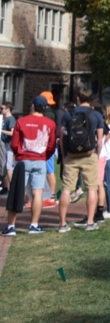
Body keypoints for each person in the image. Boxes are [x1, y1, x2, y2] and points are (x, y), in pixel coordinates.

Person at [3, 96, 58, 235]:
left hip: (23, 160)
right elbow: (52, 145)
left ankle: (11, 226)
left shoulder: (22, 121)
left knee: (17, 192)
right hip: (40, 159)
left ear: (33, 106)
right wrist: (45, 155)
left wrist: (18, 154)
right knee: (37, 192)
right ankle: (34, 225)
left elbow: (15, 143)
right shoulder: (50, 123)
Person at [57, 87, 104, 232]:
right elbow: (100, 140)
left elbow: (61, 139)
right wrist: (96, 154)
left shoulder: (68, 114)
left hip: (71, 156)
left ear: (78, 98)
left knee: (66, 189)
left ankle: (63, 224)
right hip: (89, 154)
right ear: (91, 99)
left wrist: (64, 156)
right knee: (91, 188)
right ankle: (90, 222)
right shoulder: (96, 115)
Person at [0, 103, 14, 195]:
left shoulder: (11, 119)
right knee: (3, 165)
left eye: (2, 108)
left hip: (7, 145)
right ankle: (5, 187)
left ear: (8, 109)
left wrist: (1, 130)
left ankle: (11, 188)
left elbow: (13, 133)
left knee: (7, 166)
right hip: (3, 144)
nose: (0, 110)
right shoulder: (4, 119)